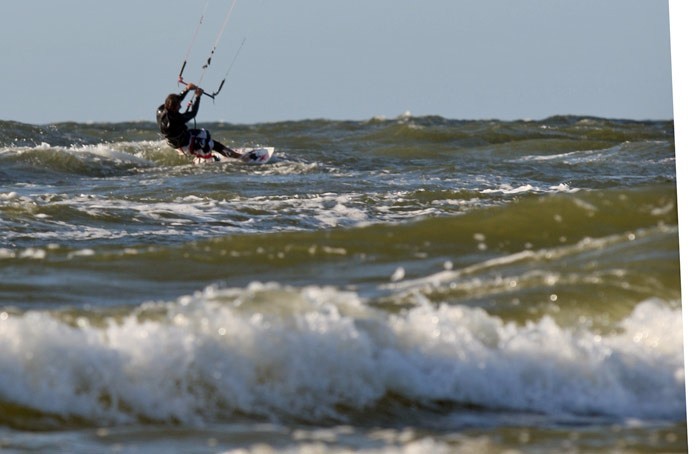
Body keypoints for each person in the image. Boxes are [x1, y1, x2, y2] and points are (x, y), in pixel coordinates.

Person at [156, 83, 243, 160]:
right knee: (211, 143)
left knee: (204, 134)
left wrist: (186, 89)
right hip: (184, 144)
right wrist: (197, 97)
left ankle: (214, 154)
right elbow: (193, 113)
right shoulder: (176, 119)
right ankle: (236, 156)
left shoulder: (160, 110)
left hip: (174, 141)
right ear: (174, 108)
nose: (181, 106)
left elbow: (175, 100)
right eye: (179, 105)